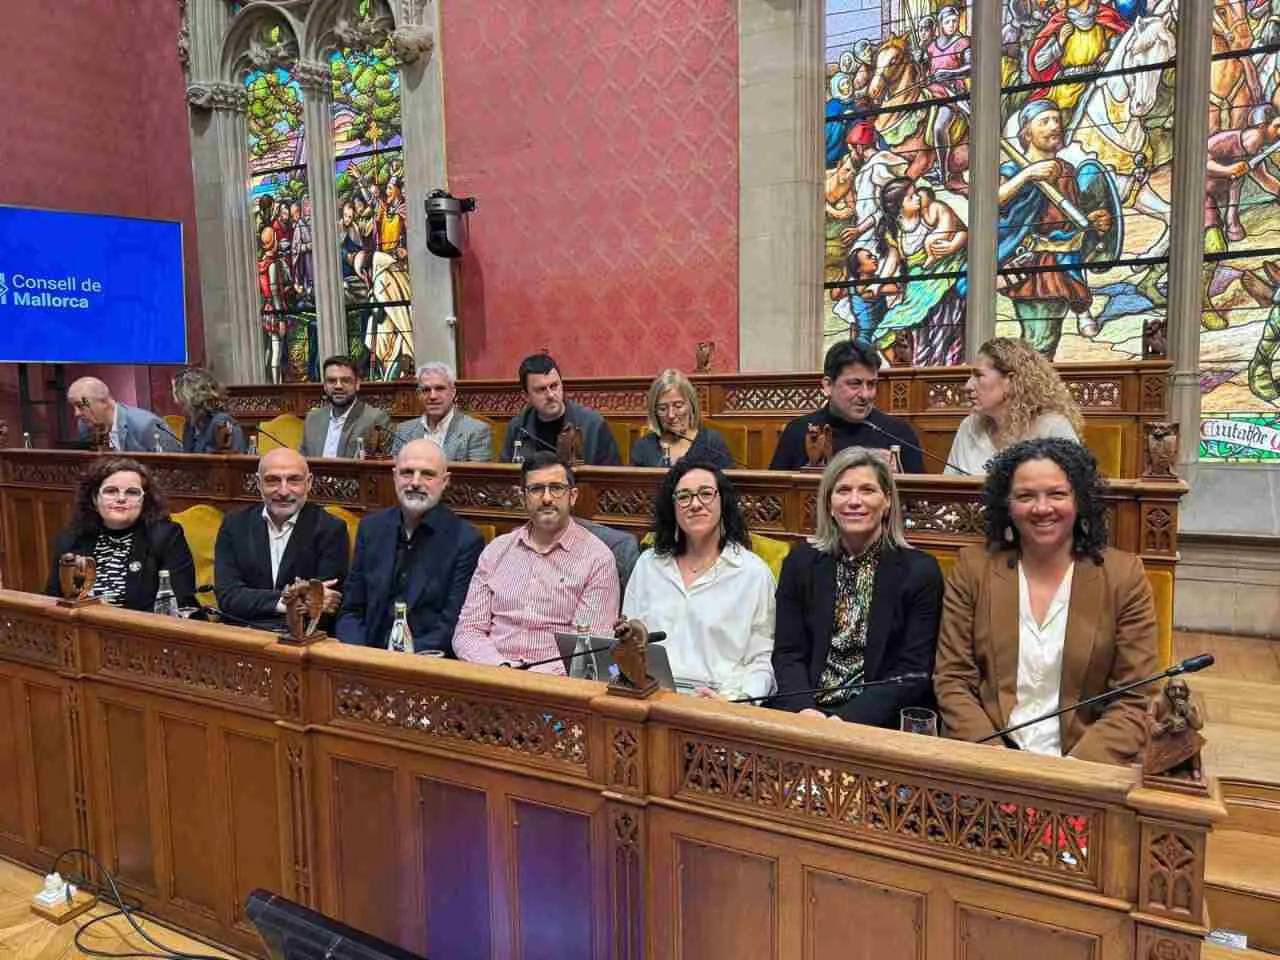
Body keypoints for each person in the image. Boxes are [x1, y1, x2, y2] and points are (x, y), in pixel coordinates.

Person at [933, 438, 1158, 764]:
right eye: (1025, 496)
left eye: (1057, 494)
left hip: (1083, 768)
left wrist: (1073, 772)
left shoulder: (1124, 577)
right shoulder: (973, 569)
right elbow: (953, 679)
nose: (1041, 508)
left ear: (1079, 499)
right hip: (988, 763)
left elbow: (1136, 696)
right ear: (1007, 506)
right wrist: (993, 759)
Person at [772, 447, 942, 725]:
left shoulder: (920, 571)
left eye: (867, 490)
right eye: (843, 490)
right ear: (829, 503)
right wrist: (804, 711)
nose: (854, 501)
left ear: (887, 500)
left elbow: (912, 673)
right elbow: (788, 653)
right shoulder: (800, 562)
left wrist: (845, 720)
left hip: (876, 721)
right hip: (806, 713)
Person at [453, 451, 620, 672]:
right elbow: (468, 630)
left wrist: (528, 681)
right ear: (523, 498)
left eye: (557, 488)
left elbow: (587, 649)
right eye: (536, 489)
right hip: (491, 677)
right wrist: (501, 668)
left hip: (555, 690)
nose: (547, 498)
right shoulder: (496, 551)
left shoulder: (597, 559)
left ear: (573, 496)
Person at [622, 460, 775, 700]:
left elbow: (762, 659)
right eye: (684, 496)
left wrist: (736, 700)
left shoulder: (753, 573)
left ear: (722, 502)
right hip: (649, 698)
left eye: (705, 494)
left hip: (718, 705)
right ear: (672, 507)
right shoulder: (648, 564)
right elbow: (629, 639)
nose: (695, 504)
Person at [336, 439, 484, 653]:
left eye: (427, 474)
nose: (415, 482)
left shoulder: (466, 540)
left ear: (445, 481)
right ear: (394, 476)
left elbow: (452, 626)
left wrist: (398, 659)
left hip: (424, 664)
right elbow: (351, 610)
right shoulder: (371, 528)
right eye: (407, 472)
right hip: (364, 657)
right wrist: (361, 655)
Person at [997, 100, 1115, 355]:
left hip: (1066, 263)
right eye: (1045, 121)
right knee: (1040, 341)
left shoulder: (1068, 171)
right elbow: (989, 202)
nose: (1055, 126)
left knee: (1046, 343)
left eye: (1057, 120)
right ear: (1027, 133)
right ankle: (1029, 391)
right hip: (1033, 267)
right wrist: (1026, 175)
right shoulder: (1011, 170)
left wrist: (1094, 222)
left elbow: (1073, 218)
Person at [214, 448, 348, 630]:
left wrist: (254, 600)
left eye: (294, 480)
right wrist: (290, 601)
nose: (284, 491)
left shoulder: (330, 529)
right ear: (259, 484)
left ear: (308, 483)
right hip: (241, 634)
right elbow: (228, 596)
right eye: (272, 480)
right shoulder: (234, 524)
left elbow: (324, 603)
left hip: (299, 639)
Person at [45, 457, 196, 610]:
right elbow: (54, 599)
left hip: (141, 630)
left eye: (132, 492)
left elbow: (179, 602)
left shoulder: (166, 537)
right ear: (94, 499)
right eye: (111, 491)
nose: (121, 499)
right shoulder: (71, 539)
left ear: (144, 501)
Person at [769, 340, 925, 472]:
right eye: (855, 384)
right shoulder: (798, 431)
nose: (865, 395)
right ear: (828, 385)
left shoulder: (899, 433)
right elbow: (773, 501)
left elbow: (921, 502)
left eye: (871, 384)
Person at [945, 337, 1082, 476]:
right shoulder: (969, 426)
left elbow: (1078, 488)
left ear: (1009, 381)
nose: (968, 385)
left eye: (978, 375)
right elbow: (946, 490)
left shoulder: (1053, 428)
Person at [498, 354, 621, 465]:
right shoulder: (518, 427)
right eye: (541, 389)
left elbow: (612, 480)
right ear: (526, 396)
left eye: (554, 386)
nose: (551, 395)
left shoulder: (592, 424)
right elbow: (505, 480)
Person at [629, 369, 733, 469]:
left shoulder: (711, 443)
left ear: (691, 405)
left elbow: (727, 485)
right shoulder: (643, 446)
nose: (671, 415)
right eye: (662, 408)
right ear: (654, 412)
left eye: (678, 406)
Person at [392, 362, 493, 461]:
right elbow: (396, 472)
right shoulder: (404, 430)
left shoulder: (476, 431)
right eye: (426, 390)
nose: (432, 396)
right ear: (419, 395)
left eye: (440, 388)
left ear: (453, 392)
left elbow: (475, 476)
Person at [300, 355, 392, 459]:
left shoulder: (375, 419)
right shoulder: (313, 418)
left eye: (345, 380)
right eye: (331, 381)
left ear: (357, 384)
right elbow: (301, 461)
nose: (338, 386)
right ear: (325, 386)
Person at [67, 377, 181, 453]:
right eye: (73, 407)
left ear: (104, 402)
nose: (76, 413)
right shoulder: (85, 426)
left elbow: (176, 469)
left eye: (81, 406)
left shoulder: (145, 425)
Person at [172, 367, 247, 454]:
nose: (176, 401)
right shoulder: (190, 425)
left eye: (178, 395)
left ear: (190, 397)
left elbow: (232, 461)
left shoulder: (221, 422)